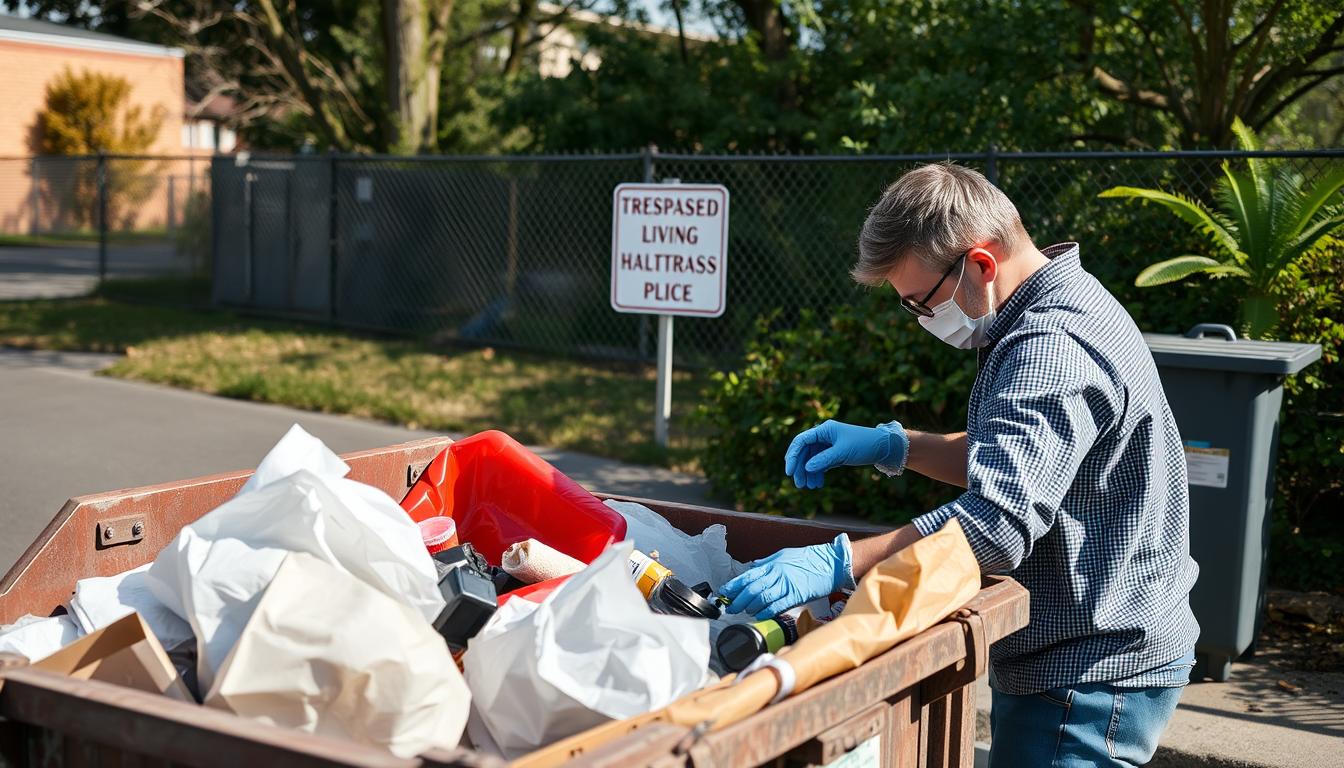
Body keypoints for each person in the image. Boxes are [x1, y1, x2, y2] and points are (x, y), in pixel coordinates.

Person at [719, 163, 1199, 767]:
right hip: (1093, 650)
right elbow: (1022, 462)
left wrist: (841, 560)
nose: (923, 321)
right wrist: (896, 445)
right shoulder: (1055, 304)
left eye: (922, 302)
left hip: (1087, 673)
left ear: (980, 264)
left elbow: (997, 523)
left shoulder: (1051, 346)